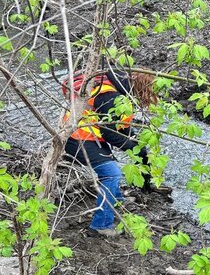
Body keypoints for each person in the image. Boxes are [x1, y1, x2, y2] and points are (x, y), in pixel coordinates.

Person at [63, 69, 167, 236]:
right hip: (78, 138)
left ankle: (116, 201)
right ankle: (101, 225)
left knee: (111, 166)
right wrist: (134, 148)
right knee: (111, 174)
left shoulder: (117, 85)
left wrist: (139, 148)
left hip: (88, 134)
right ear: (142, 90)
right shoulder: (113, 97)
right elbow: (111, 134)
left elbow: (118, 127)